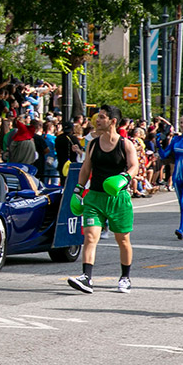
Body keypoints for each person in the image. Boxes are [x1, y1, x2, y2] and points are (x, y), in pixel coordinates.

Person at [67, 105, 139, 294]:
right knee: (90, 236)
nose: (97, 120)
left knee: (123, 240)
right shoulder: (93, 144)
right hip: (94, 198)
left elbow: (134, 166)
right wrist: (77, 190)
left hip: (118, 199)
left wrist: (125, 178)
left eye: (101, 117)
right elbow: (85, 169)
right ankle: (86, 278)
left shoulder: (126, 144)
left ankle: (125, 277)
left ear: (113, 121)